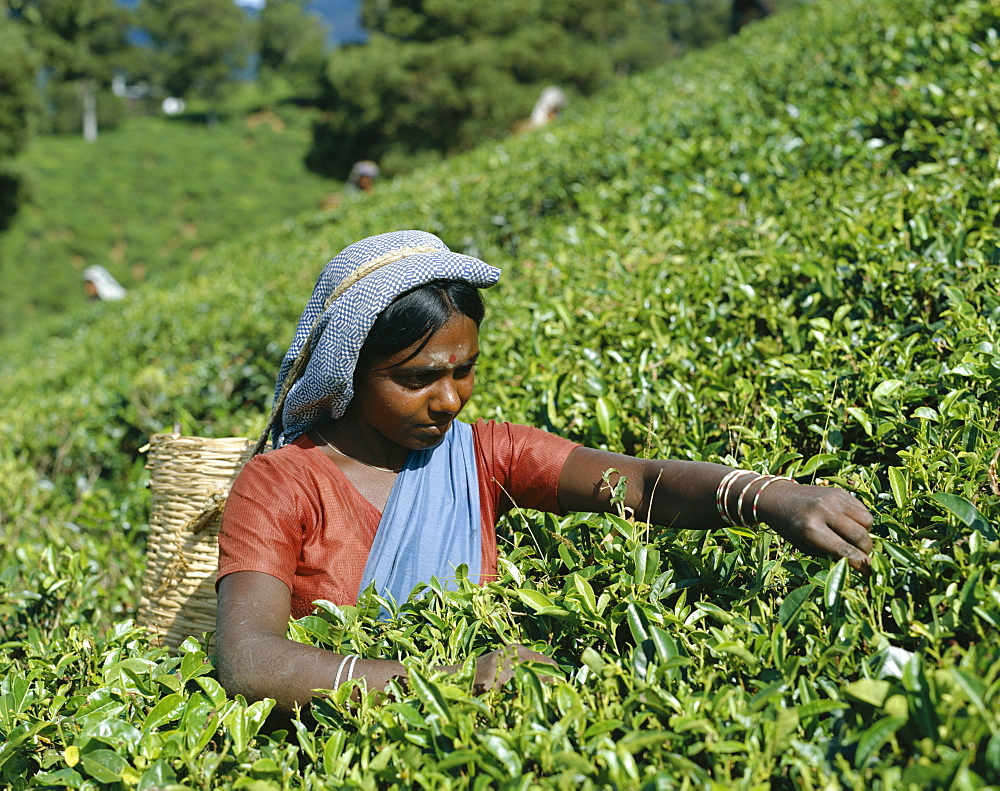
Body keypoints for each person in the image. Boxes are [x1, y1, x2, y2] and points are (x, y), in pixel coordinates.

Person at [215, 230, 873, 710]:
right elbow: (250, 659)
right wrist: (447, 680)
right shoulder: (281, 481)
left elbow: (638, 483)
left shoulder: (482, 454)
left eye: (463, 370)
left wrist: (769, 497)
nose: (448, 400)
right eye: (417, 378)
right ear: (351, 371)